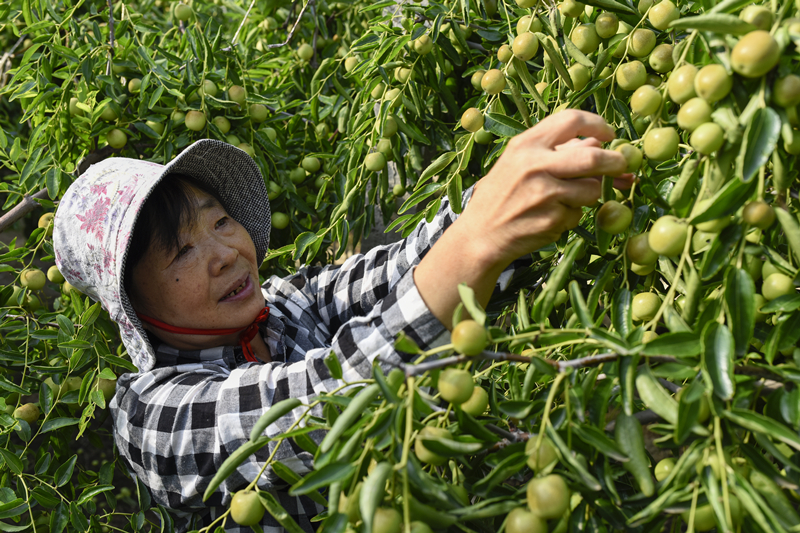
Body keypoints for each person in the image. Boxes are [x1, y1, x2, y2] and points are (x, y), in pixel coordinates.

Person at [53, 110, 631, 532]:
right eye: (181, 251)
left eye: (221, 220)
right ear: (134, 304)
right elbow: (322, 405)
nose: (225, 251)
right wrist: (479, 241)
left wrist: (509, 190)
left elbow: (407, 263)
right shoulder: (151, 418)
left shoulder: (284, 306)